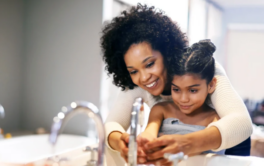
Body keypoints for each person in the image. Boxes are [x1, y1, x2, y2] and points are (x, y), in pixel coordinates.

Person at [100, 4, 252, 165]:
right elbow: (110, 124)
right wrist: (120, 142)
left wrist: (186, 143)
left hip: (229, 143)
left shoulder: (200, 70)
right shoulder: (137, 84)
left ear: (167, 53)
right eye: (133, 71)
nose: (143, 77)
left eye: (150, 64)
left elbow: (242, 123)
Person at [137, 40, 223, 165]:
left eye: (193, 90)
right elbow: (150, 132)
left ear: (211, 85)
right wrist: (144, 141)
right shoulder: (161, 110)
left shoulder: (214, 118)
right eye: (176, 89)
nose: (183, 99)